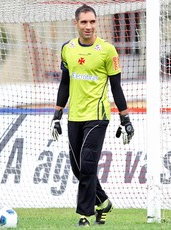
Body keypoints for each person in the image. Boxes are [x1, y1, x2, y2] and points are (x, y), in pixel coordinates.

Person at [50, 4, 134, 227]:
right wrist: (57, 115)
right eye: (84, 22)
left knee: (87, 165)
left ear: (96, 23)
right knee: (78, 168)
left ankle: (84, 215)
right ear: (75, 23)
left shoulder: (107, 51)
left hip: (98, 117)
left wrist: (125, 118)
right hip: (74, 116)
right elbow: (65, 83)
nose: (89, 26)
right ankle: (103, 201)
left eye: (92, 22)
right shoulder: (67, 49)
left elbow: (116, 87)